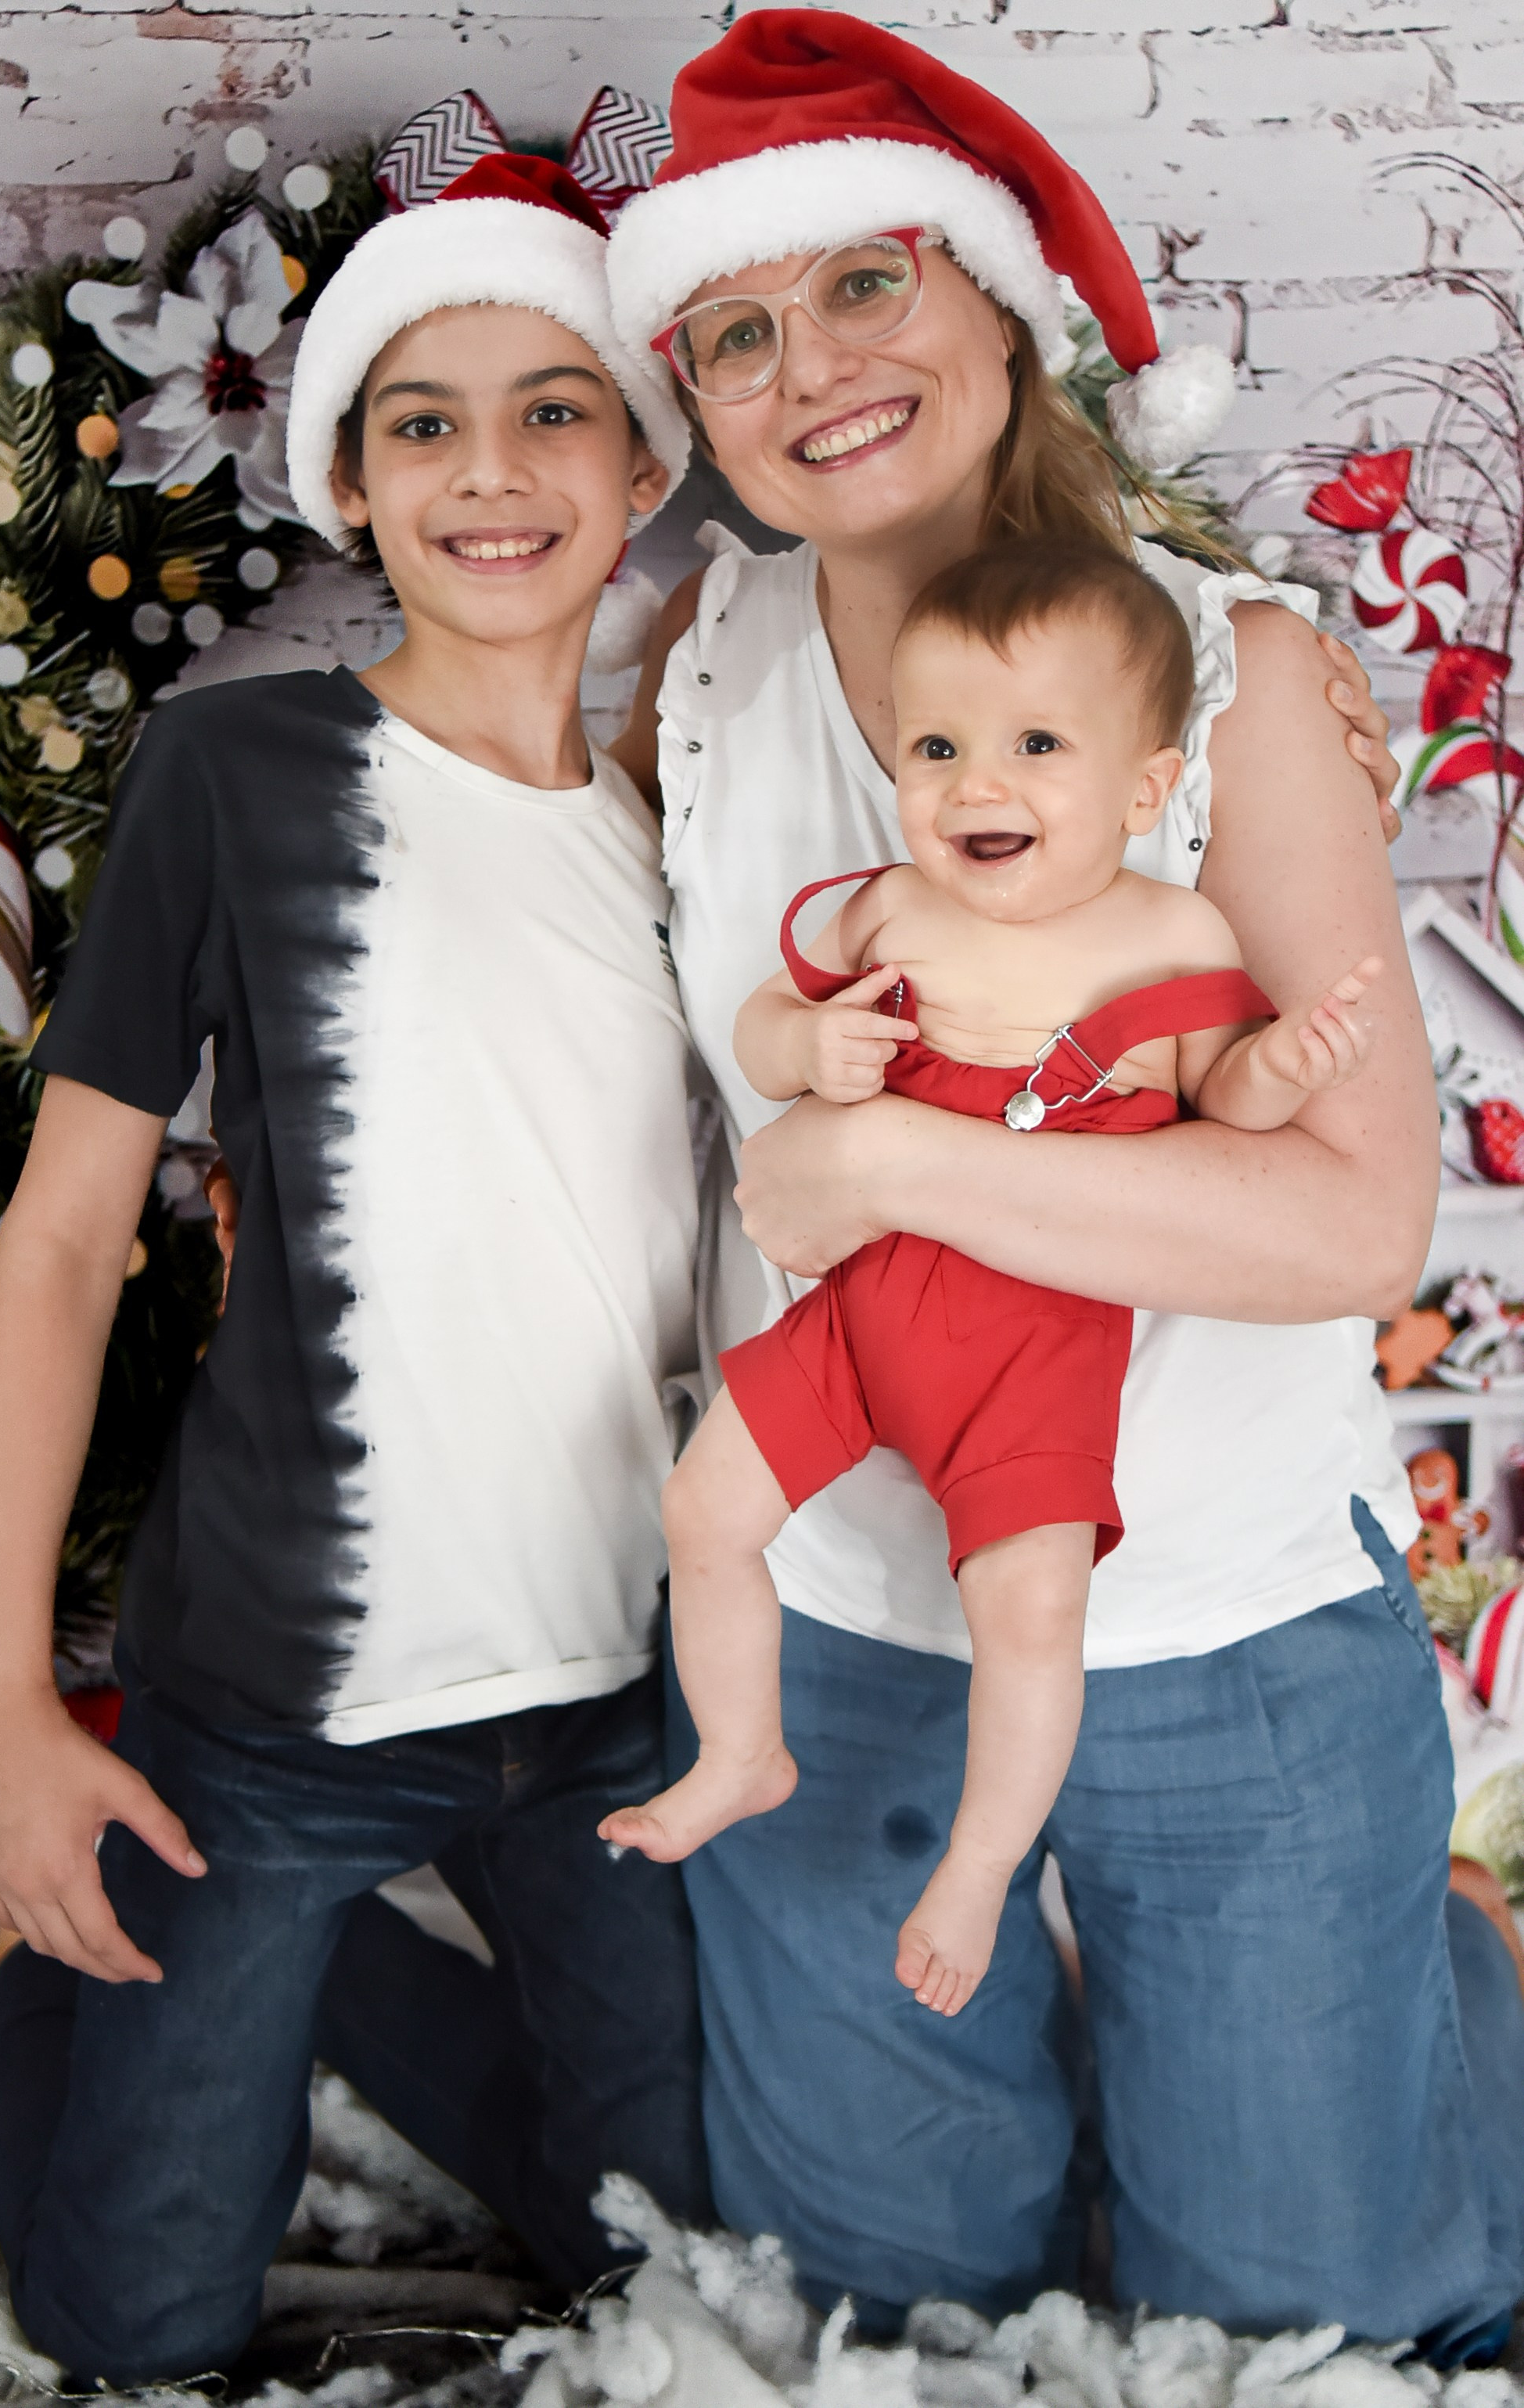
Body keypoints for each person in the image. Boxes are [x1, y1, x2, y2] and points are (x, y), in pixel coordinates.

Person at [601, 8, 1524, 2354]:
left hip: (1214, 1624)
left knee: (1315, 2309)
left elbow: (1342, 1220)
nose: (806, 367)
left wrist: (893, 1150)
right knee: (887, 2310)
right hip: (841, 1632)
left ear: (995, 303)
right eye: (732, 332)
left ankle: (1433, 1991)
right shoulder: (693, 681)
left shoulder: (1231, 677)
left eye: (864, 286)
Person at [0, 153, 711, 2386]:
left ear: (650, 460)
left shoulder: (710, 801)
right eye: (422, 420)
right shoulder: (242, 765)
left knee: (663, 2251)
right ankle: (96, 1994)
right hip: (280, 1699)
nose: (492, 469)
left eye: (553, 407)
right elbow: (76, 1232)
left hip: (620, 1694)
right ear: (351, 488)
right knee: (140, 2317)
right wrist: (7, 1699)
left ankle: (344, 1979)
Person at [604, 538, 1382, 2025]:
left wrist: (1284, 1061)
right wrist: (805, 1053)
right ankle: (739, 1749)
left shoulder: (1178, 934)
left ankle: (978, 1859)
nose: (979, 784)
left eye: (1037, 746)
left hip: (1031, 1362)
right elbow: (770, 1021)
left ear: (1145, 793)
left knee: (1029, 1620)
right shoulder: (890, 907)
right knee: (705, 1509)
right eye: (940, 745)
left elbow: (1230, 1113)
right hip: (863, 1314)